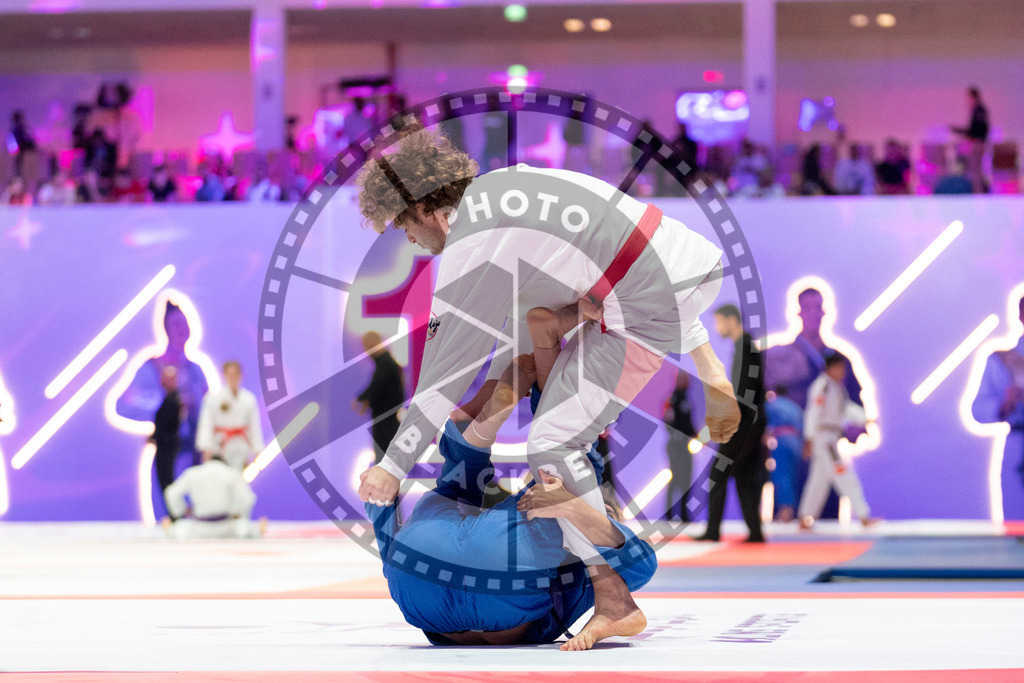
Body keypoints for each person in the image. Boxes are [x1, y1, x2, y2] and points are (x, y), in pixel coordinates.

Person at [353, 123, 738, 642]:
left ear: (424, 208)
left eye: (404, 226)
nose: (411, 240)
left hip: (644, 297)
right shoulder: (507, 185)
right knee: (539, 320)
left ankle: (614, 599)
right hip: (679, 265)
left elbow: (444, 374)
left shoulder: (470, 248)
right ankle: (678, 355)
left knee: (553, 442)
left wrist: (392, 467)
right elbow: (625, 262)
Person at [368, 345, 656, 650]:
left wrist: (384, 487)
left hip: (432, 555)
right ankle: (481, 428)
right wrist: (379, 503)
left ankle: (479, 428)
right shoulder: (580, 564)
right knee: (547, 490)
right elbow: (391, 557)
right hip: (421, 589)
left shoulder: (574, 548)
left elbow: (641, 562)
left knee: (470, 489)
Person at [697, 304, 766, 543]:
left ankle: (713, 531)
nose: (717, 328)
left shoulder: (745, 348)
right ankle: (755, 532)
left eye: (719, 322)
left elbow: (745, 393)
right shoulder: (746, 347)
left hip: (743, 426)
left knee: (718, 474)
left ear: (731, 320)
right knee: (744, 477)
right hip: (750, 424)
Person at [797, 352, 878, 530]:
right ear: (831, 367)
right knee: (844, 474)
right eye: (840, 368)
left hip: (830, 437)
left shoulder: (836, 387)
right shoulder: (823, 386)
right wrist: (809, 438)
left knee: (819, 480)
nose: (842, 372)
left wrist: (865, 418)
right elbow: (813, 412)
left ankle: (805, 516)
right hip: (824, 439)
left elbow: (846, 408)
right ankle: (863, 515)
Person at [970, 296, 1024, 520]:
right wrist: (1004, 404)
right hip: (1018, 445)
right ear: (1020, 316)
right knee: (1017, 523)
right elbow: (978, 408)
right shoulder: (1001, 360)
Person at [163, 452, 264, 540]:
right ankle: (258, 529)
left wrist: (182, 511)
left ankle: (170, 529)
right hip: (225, 527)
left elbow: (171, 493)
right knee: (245, 528)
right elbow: (248, 499)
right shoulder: (231, 473)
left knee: (179, 528)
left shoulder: (193, 473)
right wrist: (236, 513)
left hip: (199, 527)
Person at [196, 361, 264, 472]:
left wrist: (257, 449)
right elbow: (206, 424)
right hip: (220, 447)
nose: (233, 378)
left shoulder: (249, 399)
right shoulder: (213, 398)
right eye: (230, 375)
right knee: (221, 478)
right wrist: (206, 448)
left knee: (239, 478)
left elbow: (254, 426)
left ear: (240, 375)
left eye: (236, 374)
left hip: (241, 446)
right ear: (224, 375)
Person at [353, 332, 406, 465]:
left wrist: (361, 399)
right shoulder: (387, 363)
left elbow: (377, 385)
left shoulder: (386, 364)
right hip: (387, 419)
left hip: (385, 421)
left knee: (384, 461)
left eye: (367, 345)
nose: (366, 351)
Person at [764, 385, 802, 522]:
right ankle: (790, 509)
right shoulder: (795, 407)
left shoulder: (772, 405)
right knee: (792, 475)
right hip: (796, 441)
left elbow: (766, 425)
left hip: (781, 441)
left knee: (782, 475)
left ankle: (785, 511)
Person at [150, 366, 183, 517]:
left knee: (167, 481)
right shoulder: (168, 398)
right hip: (165, 445)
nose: (164, 381)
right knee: (165, 480)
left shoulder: (174, 399)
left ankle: (175, 514)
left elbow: (168, 424)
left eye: (169, 378)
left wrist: (156, 436)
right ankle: (173, 514)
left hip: (167, 446)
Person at [663, 371, 696, 522]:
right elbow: (667, 420)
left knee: (686, 480)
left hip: (685, 446)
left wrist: (694, 433)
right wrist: (677, 435)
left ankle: (683, 513)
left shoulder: (687, 400)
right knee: (676, 478)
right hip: (675, 446)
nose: (687, 383)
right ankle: (669, 513)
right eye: (683, 380)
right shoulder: (672, 400)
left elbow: (688, 423)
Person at [951, 86, 990, 193]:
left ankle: (978, 192)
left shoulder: (979, 110)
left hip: (977, 143)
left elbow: (979, 129)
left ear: (973, 97)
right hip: (977, 142)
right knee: (975, 168)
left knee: (975, 169)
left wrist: (965, 133)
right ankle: (976, 191)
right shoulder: (978, 110)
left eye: (969, 97)